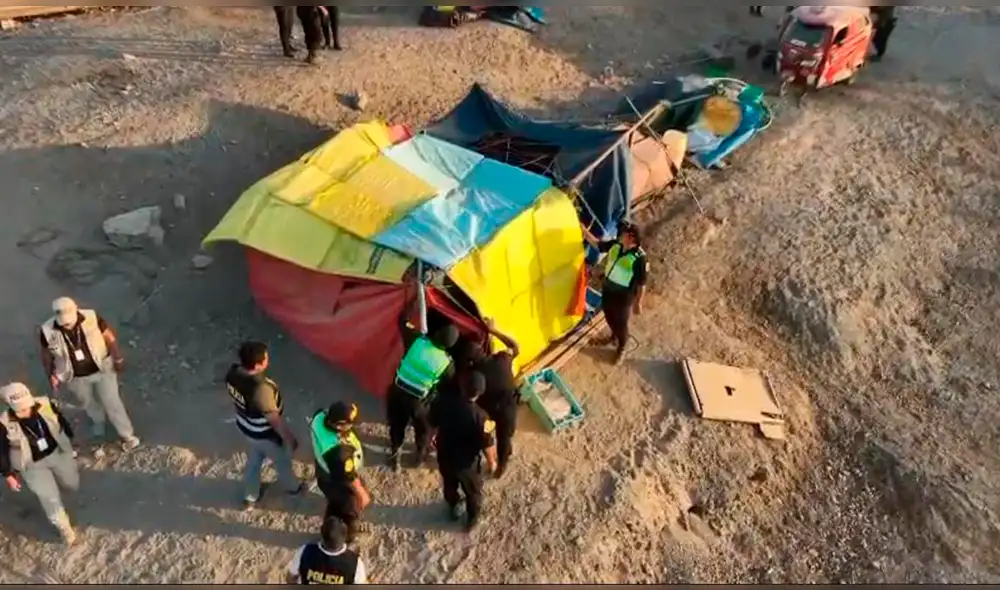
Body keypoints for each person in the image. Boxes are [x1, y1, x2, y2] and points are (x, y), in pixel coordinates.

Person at [38, 297, 140, 452]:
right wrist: (50, 374)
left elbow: (109, 337)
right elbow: (46, 355)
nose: (66, 324)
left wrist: (117, 357)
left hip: (102, 369)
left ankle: (127, 435)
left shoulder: (91, 317)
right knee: (86, 402)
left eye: (69, 321)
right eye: (63, 323)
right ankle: (98, 421)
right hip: (74, 376)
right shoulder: (47, 330)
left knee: (112, 401)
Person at [225, 340, 305, 509]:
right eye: (266, 358)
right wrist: (289, 439)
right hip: (265, 434)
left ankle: (250, 495)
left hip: (246, 427)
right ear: (258, 365)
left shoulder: (232, 374)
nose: (268, 360)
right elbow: (274, 420)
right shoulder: (261, 390)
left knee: (254, 460)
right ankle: (294, 488)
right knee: (281, 461)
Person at [386, 289, 458, 472]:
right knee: (423, 429)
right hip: (419, 401)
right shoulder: (446, 363)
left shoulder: (417, 341)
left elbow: (402, 320)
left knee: (397, 424)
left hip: (397, 392)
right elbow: (446, 385)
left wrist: (416, 301)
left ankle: (395, 454)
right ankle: (419, 456)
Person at [0, 382, 80, 545]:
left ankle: (64, 487)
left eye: (27, 405)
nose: (25, 411)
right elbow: (1, 450)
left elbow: (61, 420)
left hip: (57, 453)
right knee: (48, 498)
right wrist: (8, 474)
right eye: (20, 408)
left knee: (72, 483)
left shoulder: (45, 404)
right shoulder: (3, 423)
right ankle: (64, 528)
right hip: (31, 465)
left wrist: (70, 440)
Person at [428, 371, 497, 532]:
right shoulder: (482, 418)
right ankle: (471, 519)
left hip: (444, 456)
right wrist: (492, 461)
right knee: (473, 492)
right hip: (467, 465)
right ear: (480, 392)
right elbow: (487, 444)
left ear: (462, 386)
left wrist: (433, 436)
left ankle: (453, 507)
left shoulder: (443, 402)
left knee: (449, 485)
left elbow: (432, 422)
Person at [458, 319, 520, 479]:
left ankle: (491, 461)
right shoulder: (502, 359)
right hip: (509, 408)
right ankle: (502, 465)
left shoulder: (473, 375)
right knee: (504, 438)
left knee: (486, 437)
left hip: (487, 414)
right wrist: (493, 330)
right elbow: (515, 347)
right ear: (482, 350)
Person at [581, 221, 649, 365]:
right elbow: (598, 245)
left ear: (631, 237)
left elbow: (642, 283)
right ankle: (613, 337)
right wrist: (584, 232)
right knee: (609, 315)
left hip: (623, 296)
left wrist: (638, 303)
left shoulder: (639, 258)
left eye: (623, 233)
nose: (619, 234)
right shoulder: (616, 245)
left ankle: (623, 346)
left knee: (621, 323)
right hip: (608, 289)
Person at [310, 401, 371, 544]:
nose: (352, 426)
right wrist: (361, 493)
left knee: (333, 503)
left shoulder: (319, 417)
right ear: (338, 426)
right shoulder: (339, 451)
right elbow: (347, 476)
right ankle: (349, 537)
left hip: (324, 472)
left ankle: (328, 525)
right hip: (337, 480)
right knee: (350, 509)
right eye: (350, 423)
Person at [286, 516, 369, 584]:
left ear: (322, 534)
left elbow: (290, 577)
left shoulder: (305, 551)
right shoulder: (354, 563)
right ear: (345, 537)